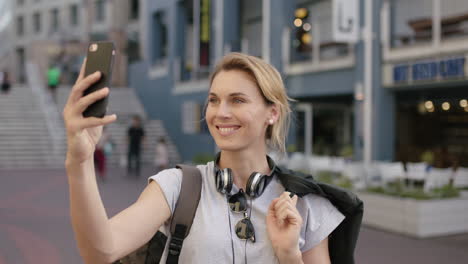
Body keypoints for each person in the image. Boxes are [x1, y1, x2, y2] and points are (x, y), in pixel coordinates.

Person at [63, 53, 345, 264]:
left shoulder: (304, 204)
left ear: (272, 113)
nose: (220, 112)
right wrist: (80, 163)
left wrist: (289, 255)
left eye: (237, 100)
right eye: (213, 100)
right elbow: (100, 250)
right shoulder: (176, 187)